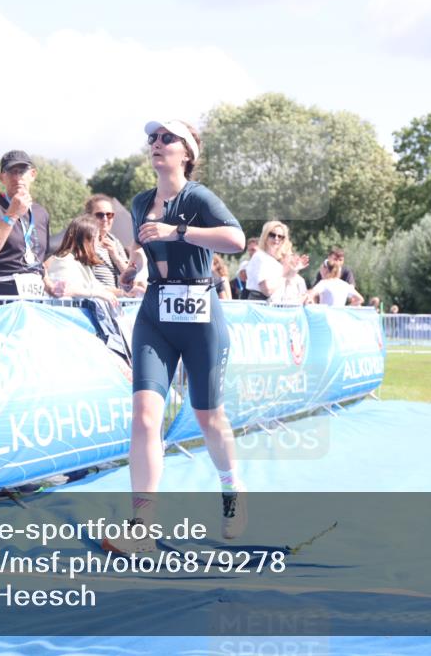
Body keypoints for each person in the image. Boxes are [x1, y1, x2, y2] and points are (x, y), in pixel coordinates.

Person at [102, 119, 247, 555]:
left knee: (209, 419)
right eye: (152, 138)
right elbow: (146, 250)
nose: (157, 144)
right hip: (155, 314)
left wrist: (178, 231)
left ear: (188, 153)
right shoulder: (143, 200)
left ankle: (231, 489)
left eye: (167, 138)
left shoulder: (197, 197)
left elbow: (236, 239)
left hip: (201, 315)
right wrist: (135, 268)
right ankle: (142, 526)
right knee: (146, 416)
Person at [0, 150, 51, 304]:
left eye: (22, 171)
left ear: (33, 174)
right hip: (1, 295)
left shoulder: (41, 213)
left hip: (36, 299)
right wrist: (12, 215)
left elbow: (40, 260)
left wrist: (49, 284)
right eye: (10, 172)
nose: (16, 177)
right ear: (1, 177)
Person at [43, 215, 118, 304]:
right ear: (90, 239)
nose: (100, 242)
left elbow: (99, 288)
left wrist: (125, 293)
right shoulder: (65, 261)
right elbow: (65, 291)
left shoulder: (79, 263)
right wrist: (98, 294)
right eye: (99, 238)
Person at [85, 194, 130, 293]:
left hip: (115, 301)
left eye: (109, 215)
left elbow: (130, 276)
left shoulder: (115, 242)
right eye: (99, 215)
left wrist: (116, 257)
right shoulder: (82, 241)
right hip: (92, 299)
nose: (105, 219)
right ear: (89, 217)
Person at [245, 221, 299, 300]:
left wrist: (294, 270)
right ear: (265, 236)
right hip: (260, 305)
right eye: (272, 235)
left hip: (274, 307)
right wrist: (285, 273)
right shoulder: (260, 257)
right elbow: (267, 290)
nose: (276, 238)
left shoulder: (275, 262)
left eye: (280, 236)